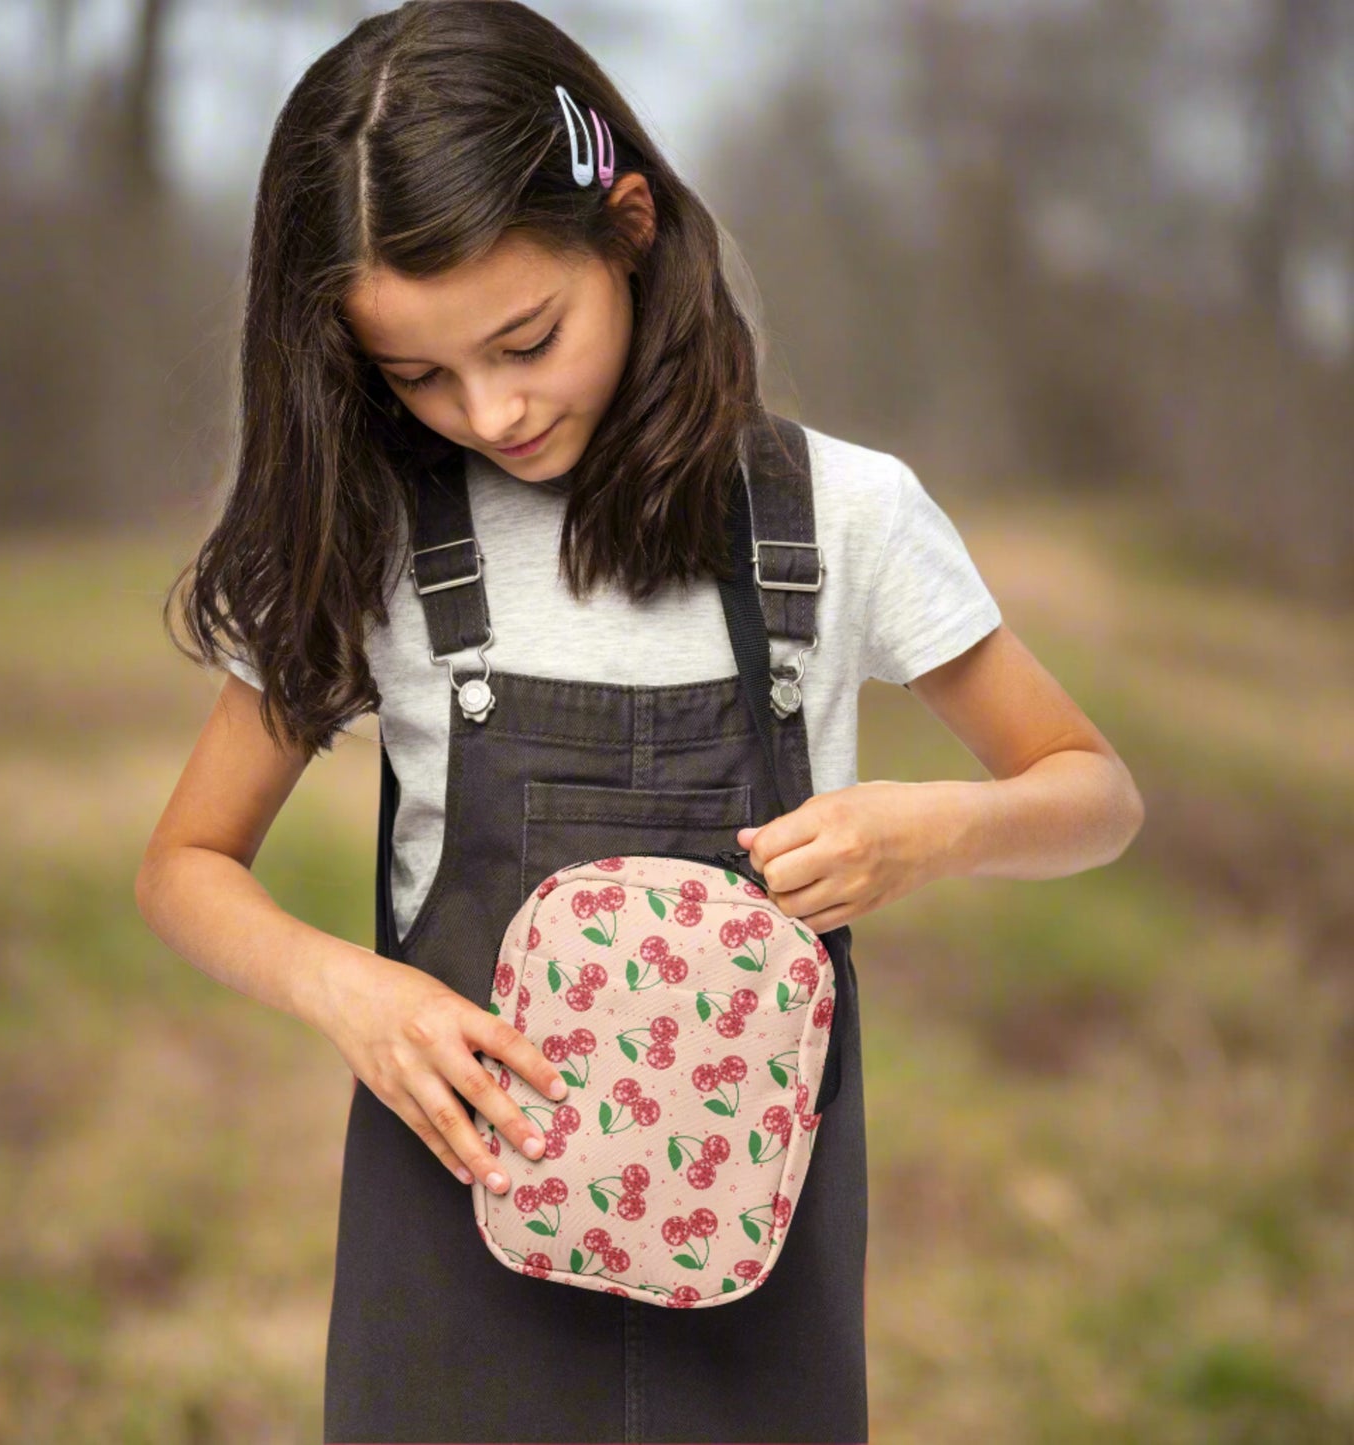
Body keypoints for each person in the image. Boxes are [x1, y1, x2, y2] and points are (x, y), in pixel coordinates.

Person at [135, 3, 1145, 1441]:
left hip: (757, 1282)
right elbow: (183, 865)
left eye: (524, 339)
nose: (488, 409)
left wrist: (938, 827)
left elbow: (1093, 791)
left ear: (627, 225)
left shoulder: (839, 516)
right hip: (449, 1265)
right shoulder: (373, 537)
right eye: (416, 376)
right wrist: (351, 991)